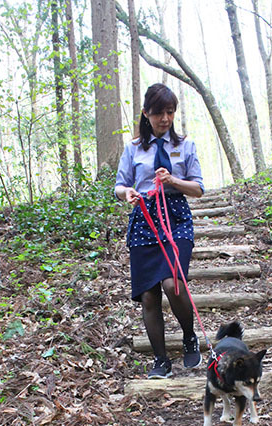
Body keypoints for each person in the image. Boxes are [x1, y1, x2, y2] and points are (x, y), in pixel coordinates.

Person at [115, 83, 205, 379]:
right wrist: (126, 193)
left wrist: (174, 182)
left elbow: (198, 189)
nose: (165, 118)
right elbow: (119, 185)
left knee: (172, 283)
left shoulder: (185, 145)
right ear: (146, 114)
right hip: (144, 220)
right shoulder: (132, 148)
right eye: (158, 113)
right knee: (149, 296)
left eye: (169, 112)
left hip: (176, 218)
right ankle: (161, 359)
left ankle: (189, 335)